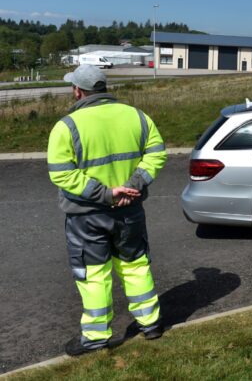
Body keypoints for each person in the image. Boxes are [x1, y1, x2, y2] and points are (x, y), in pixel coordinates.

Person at [47, 64, 168, 356]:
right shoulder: (137, 117)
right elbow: (157, 154)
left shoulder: (67, 126)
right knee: (136, 265)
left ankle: (96, 336)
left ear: (78, 90)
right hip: (130, 210)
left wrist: (105, 194)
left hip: (87, 215)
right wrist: (133, 185)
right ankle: (150, 323)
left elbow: (61, 174)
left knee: (93, 275)